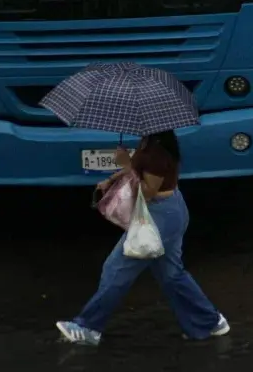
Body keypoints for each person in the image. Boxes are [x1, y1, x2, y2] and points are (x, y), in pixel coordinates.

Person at [56, 130, 229, 346]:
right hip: (170, 212)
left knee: (116, 269)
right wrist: (112, 179)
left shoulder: (158, 153)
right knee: (171, 274)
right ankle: (210, 322)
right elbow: (140, 171)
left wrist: (126, 163)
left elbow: (148, 192)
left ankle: (88, 327)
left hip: (159, 217)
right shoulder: (151, 142)